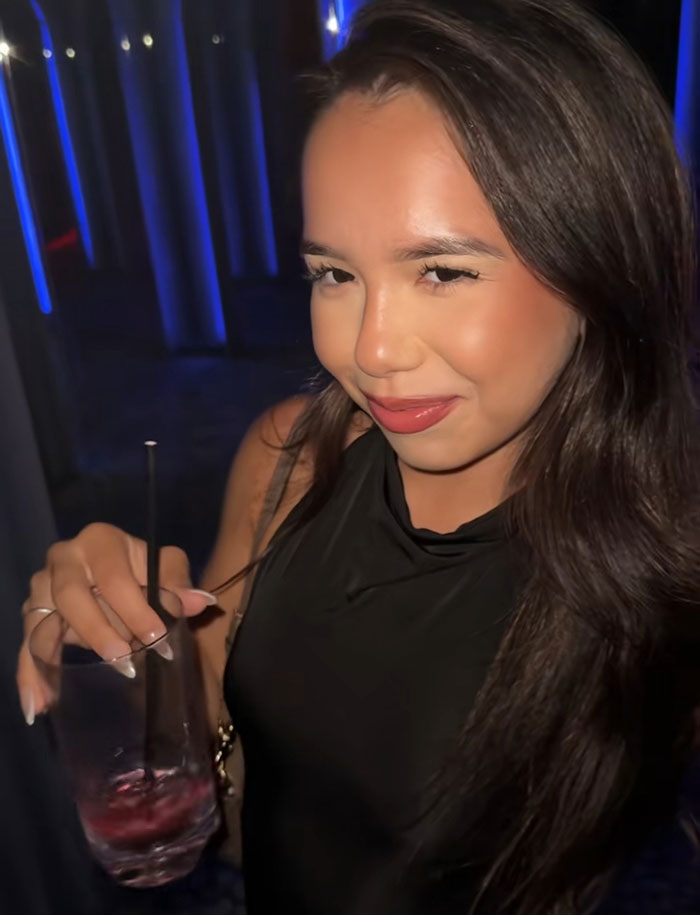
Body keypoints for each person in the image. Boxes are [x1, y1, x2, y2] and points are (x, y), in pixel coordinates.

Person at [16, 0, 700, 912]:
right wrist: (137, 659)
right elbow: (225, 784)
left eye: (442, 271)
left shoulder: (671, 560)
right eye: (334, 274)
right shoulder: (288, 459)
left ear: (600, 267)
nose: (370, 351)